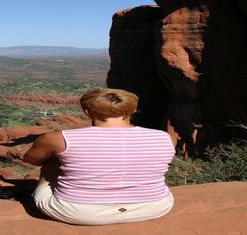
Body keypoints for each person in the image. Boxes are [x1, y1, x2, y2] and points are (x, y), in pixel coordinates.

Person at [22, 88, 175, 225]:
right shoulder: (165, 137)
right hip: (155, 207)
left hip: (78, 212)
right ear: (133, 109)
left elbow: (31, 159)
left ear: (87, 112)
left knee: (52, 159)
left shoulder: (60, 138)